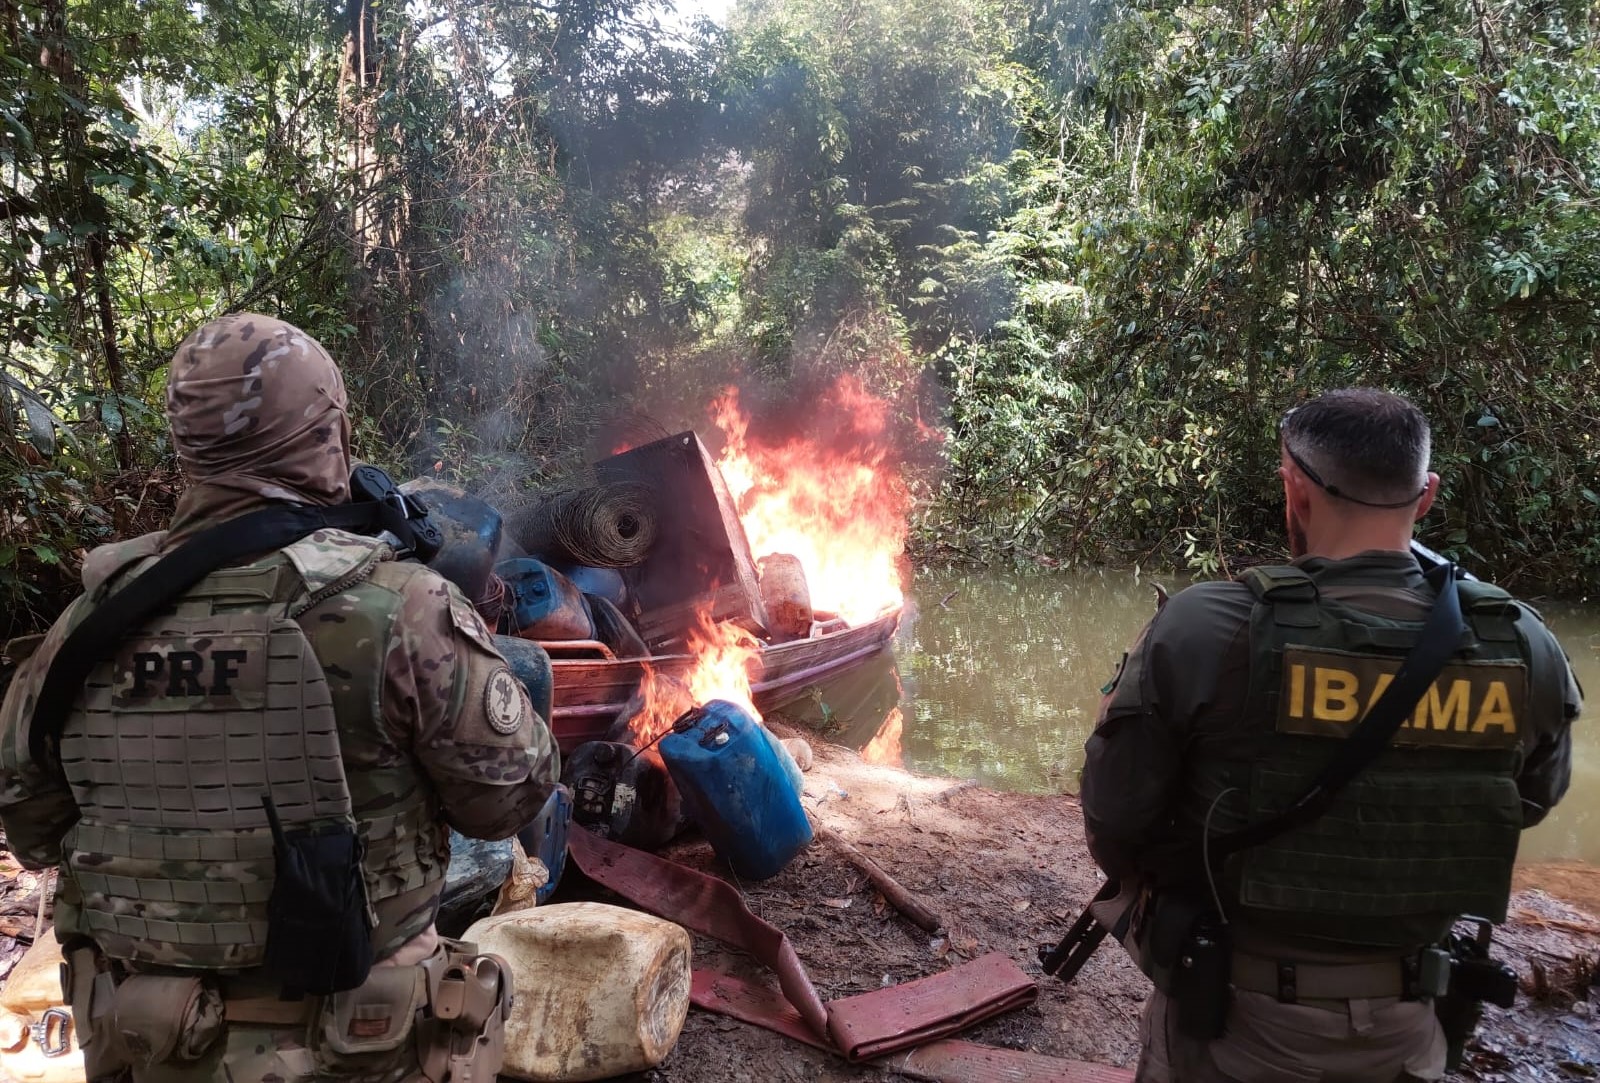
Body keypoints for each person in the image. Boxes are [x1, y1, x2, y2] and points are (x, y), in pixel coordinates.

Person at [0, 314, 561, 1082]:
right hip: (358, 1045)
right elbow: (510, 796)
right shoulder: (397, 610)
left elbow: (32, 828)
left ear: (188, 447)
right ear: (329, 435)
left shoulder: (87, 623)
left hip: (151, 1045)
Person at [1079, 388, 1582, 1083]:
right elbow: (1526, 800)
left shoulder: (1209, 627)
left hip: (1228, 1025)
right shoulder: (1523, 644)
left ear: (1295, 487)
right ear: (1426, 494)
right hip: (1410, 1031)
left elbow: (1116, 823)